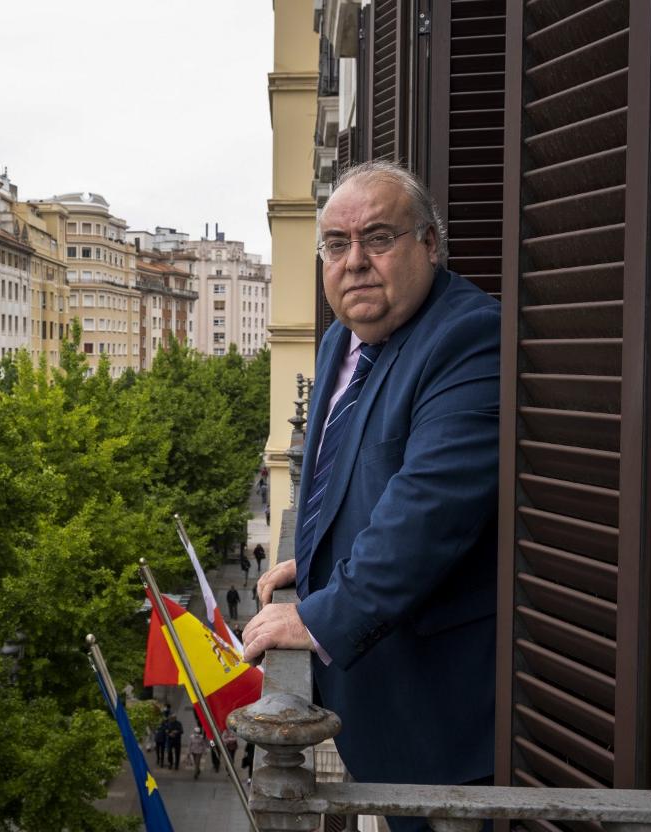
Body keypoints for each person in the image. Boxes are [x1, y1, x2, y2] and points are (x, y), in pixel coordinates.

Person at [242, 161, 499, 832]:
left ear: (430, 245)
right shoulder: (341, 339)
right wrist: (319, 557)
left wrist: (319, 617)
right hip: (376, 717)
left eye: (378, 238)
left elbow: (430, 510)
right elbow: (342, 466)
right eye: (336, 244)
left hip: (440, 729)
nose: (353, 262)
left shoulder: (469, 338)